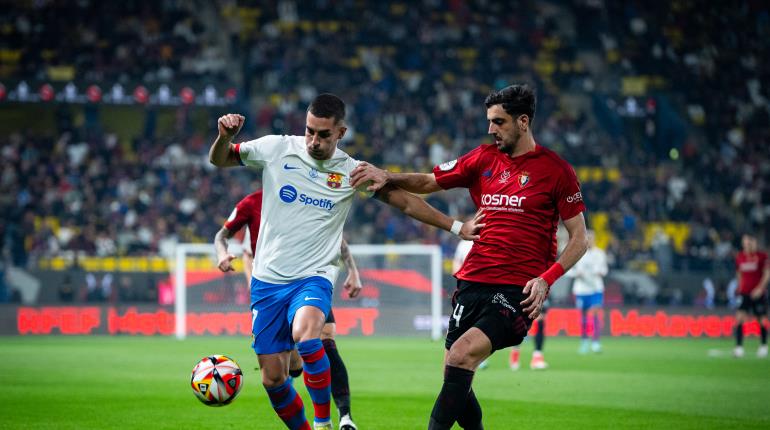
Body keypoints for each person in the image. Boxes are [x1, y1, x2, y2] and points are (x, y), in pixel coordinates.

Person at [209, 93, 483, 430]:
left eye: (324, 134)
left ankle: (324, 422)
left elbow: (407, 204)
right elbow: (220, 160)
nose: (314, 140)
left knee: (308, 337)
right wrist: (224, 138)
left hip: (314, 276)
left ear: (341, 133)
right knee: (273, 379)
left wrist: (457, 227)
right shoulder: (276, 148)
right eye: (310, 131)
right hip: (267, 281)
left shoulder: (353, 172)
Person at [351, 83, 588, 429]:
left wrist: (545, 279)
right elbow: (430, 181)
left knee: (461, 356)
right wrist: (388, 175)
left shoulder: (556, 171)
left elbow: (579, 239)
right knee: (454, 368)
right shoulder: (483, 158)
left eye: (499, 122)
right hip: (471, 282)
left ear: (523, 122)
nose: (491, 129)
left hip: (515, 291)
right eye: (489, 121)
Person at [214, 190, 362, 430]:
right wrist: (222, 255)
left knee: (322, 339)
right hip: (270, 289)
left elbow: (334, 236)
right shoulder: (251, 204)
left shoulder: (306, 192)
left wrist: (353, 270)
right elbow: (226, 239)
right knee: (283, 370)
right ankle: (293, 391)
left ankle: (341, 417)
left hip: (309, 279)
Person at [454, 239, 548, 371]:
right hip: (475, 288)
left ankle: (537, 355)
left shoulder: (505, 235)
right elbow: (457, 263)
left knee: (534, 319)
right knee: (480, 324)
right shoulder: (466, 243)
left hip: (527, 282)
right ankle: (482, 356)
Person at [568, 230, 608, 354]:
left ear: (594, 240)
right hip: (581, 290)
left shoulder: (600, 254)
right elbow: (568, 271)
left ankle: (595, 342)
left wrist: (601, 272)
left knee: (595, 314)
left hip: (596, 288)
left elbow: (605, 269)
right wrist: (576, 273)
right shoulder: (578, 253)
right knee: (584, 317)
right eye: (587, 238)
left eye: (591, 238)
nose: (589, 241)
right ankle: (584, 342)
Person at [733, 233, 770, 358]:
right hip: (744, 293)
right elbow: (739, 274)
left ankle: (764, 346)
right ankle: (739, 348)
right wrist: (739, 287)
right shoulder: (740, 257)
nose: (746, 244)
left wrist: (760, 289)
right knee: (739, 319)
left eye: (748, 241)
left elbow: (767, 274)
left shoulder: (762, 256)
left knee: (762, 319)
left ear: (753, 242)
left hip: (758, 293)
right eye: (744, 241)